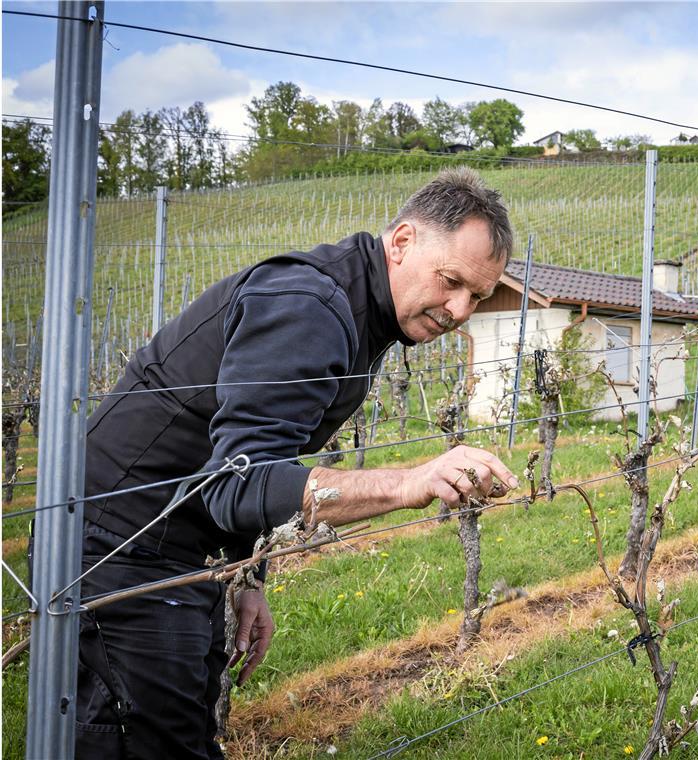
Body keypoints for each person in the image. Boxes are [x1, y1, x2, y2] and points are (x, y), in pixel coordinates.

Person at [74, 167, 517, 759]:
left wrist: (246, 577)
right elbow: (236, 482)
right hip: (120, 548)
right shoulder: (311, 304)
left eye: (478, 297)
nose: (460, 309)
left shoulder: (362, 310)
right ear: (403, 241)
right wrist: (410, 481)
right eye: (452, 281)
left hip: (174, 547)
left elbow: (256, 460)